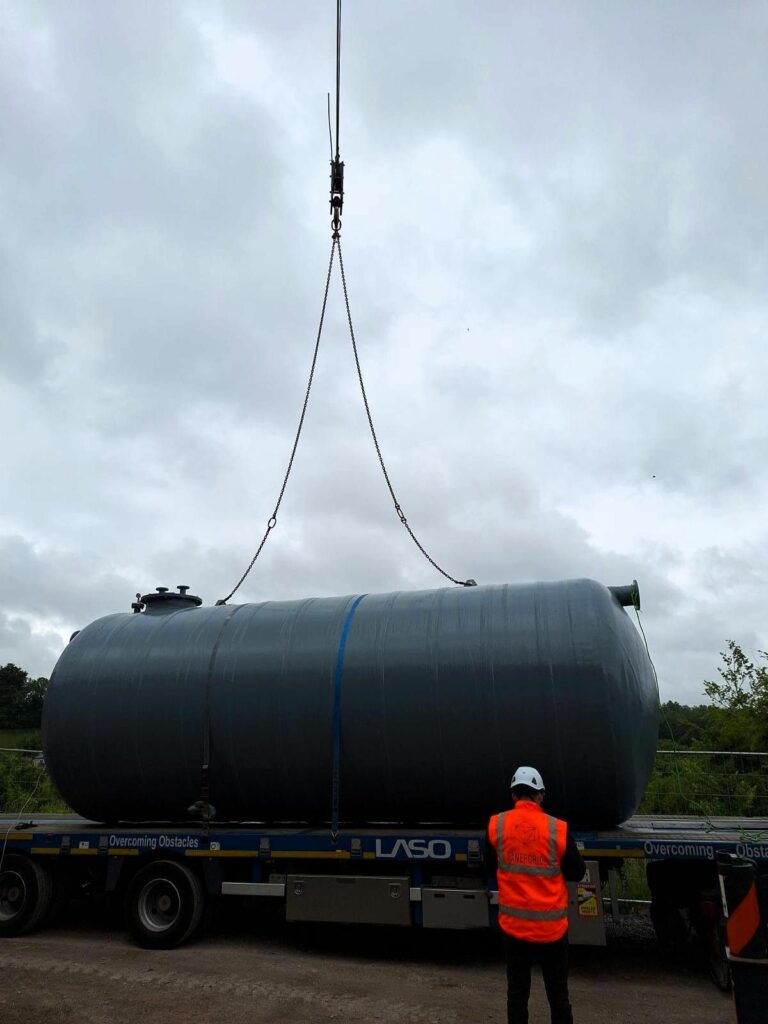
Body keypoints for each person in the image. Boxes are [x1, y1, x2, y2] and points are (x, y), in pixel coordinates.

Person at [488, 766, 586, 1024]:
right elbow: (577, 871)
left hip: (515, 930)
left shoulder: (497, 825)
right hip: (551, 931)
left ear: (513, 796)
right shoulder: (557, 829)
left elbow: (489, 865)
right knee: (558, 995)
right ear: (540, 795)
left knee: (517, 995)